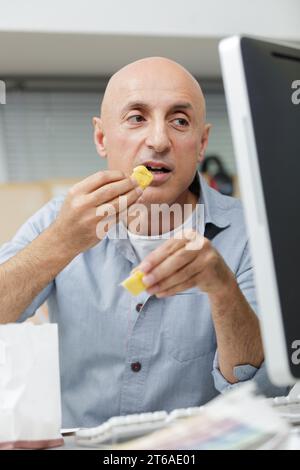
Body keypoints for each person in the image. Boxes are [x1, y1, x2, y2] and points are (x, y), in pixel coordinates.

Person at [0, 57, 287, 428]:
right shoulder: (58, 219)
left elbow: (260, 391)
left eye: (179, 121)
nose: (158, 141)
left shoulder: (252, 234)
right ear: (102, 138)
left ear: (201, 144)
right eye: (137, 118)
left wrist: (223, 289)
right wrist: (60, 240)